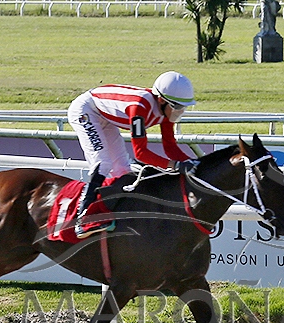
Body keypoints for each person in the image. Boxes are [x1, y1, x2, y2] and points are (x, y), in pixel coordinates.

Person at [67, 71, 199, 238]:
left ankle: (115, 210)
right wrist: (175, 165)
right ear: (161, 100)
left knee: (122, 170)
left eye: (183, 107)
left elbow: (170, 147)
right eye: (177, 107)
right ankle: (82, 219)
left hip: (104, 116)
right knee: (102, 163)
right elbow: (141, 153)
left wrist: (194, 163)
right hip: (86, 111)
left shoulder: (166, 110)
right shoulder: (139, 108)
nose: (180, 112)